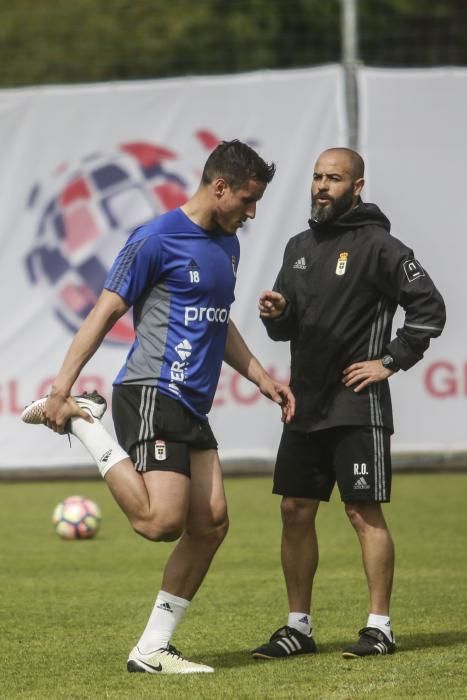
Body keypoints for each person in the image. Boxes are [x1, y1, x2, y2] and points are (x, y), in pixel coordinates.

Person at [22, 139, 295, 674]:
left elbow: (219, 318)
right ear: (219, 187)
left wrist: (261, 375)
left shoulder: (228, 245)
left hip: (192, 405)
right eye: (247, 199)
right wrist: (60, 389)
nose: (252, 212)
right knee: (158, 523)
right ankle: (88, 424)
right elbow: (102, 314)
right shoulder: (154, 238)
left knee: (212, 523)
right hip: (151, 390)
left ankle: (151, 649)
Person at [251, 147, 446, 660]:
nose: (321, 186)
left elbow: (429, 308)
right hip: (304, 405)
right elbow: (286, 329)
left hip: (358, 406)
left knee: (363, 513)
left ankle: (379, 627)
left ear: (356, 186)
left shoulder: (380, 246)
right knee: (295, 511)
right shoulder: (298, 246)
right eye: (317, 176)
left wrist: (390, 361)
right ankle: (298, 628)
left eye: (333, 178)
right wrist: (277, 313)